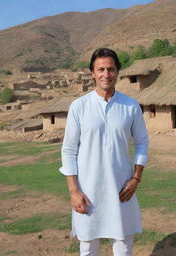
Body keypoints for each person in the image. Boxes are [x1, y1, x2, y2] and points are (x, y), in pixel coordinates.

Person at [60, 48, 149, 256]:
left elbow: (142, 143)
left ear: (118, 72)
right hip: (88, 189)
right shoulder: (79, 106)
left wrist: (136, 178)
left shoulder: (130, 106)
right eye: (100, 69)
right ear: (92, 72)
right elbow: (69, 150)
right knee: (89, 245)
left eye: (111, 69)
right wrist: (74, 192)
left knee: (123, 243)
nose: (105, 74)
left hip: (121, 188)